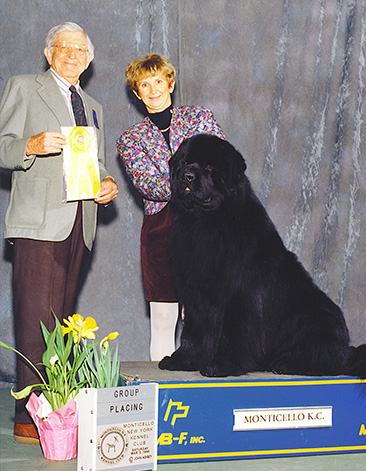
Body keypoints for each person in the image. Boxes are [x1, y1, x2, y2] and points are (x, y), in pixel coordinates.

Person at [0, 22, 118, 444]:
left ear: (88, 60)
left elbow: (95, 164)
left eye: (80, 50)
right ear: (49, 54)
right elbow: (3, 144)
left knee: (61, 323)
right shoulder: (24, 87)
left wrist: (106, 185)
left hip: (80, 225)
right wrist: (29, 145)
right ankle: (28, 417)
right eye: (63, 47)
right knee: (35, 320)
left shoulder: (94, 106)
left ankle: (57, 407)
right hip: (39, 221)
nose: (72, 54)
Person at [117, 54, 225, 362]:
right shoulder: (130, 139)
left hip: (207, 226)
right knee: (163, 321)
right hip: (160, 231)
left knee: (206, 315)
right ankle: (161, 396)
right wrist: (194, 179)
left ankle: (208, 389)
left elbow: (219, 163)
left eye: (159, 82)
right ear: (137, 93)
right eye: (144, 85)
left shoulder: (199, 117)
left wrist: (188, 179)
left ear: (171, 83)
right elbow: (146, 184)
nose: (153, 91)